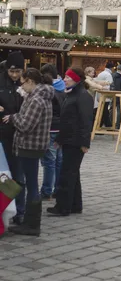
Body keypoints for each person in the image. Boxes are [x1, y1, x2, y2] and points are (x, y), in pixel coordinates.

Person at [4, 68, 53, 236]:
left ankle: (32, 224)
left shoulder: (37, 100)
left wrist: (12, 117)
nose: (21, 87)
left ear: (31, 81)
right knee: (31, 183)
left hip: (30, 146)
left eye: (23, 83)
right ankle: (29, 222)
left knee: (32, 185)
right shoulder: (37, 97)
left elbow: (25, 125)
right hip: (31, 146)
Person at [47, 67, 93, 217]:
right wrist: (60, 139)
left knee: (67, 173)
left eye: (68, 77)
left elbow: (86, 121)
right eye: (65, 76)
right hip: (67, 139)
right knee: (73, 173)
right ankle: (75, 204)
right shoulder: (71, 94)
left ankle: (63, 206)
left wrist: (85, 143)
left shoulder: (83, 96)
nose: (65, 79)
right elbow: (66, 120)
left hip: (76, 141)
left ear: (76, 79)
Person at [0, 51, 24, 223]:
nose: (14, 75)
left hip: (20, 135)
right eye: (11, 71)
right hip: (3, 135)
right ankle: (5, 208)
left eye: (17, 72)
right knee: (4, 175)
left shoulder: (27, 82)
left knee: (18, 175)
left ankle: (20, 211)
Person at [40, 64, 66, 200]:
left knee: (49, 161)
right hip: (60, 128)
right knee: (58, 160)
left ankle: (46, 190)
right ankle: (57, 189)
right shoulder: (63, 89)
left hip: (50, 128)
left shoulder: (48, 92)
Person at [96, 62, 114, 127]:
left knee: (103, 110)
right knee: (104, 111)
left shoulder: (100, 73)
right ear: (112, 68)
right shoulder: (108, 75)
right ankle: (106, 125)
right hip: (105, 95)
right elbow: (109, 85)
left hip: (99, 94)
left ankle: (102, 125)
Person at [112, 65, 121, 129]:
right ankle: (118, 125)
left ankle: (111, 124)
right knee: (119, 110)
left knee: (111, 109)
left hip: (112, 94)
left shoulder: (112, 75)